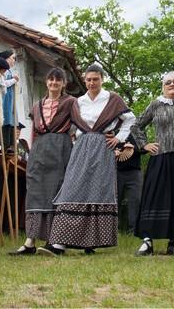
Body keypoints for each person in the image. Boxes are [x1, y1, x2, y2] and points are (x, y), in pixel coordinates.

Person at [43, 64, 135, 255]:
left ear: (102, 79)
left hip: (103, 147)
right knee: (72, 188)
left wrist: (119, 138)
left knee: (97, 191)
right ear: (84, 81)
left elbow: (130, 119)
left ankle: (90, 242)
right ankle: (59, 243)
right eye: (88, 79)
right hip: (82, 147)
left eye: (95, 79)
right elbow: (72, 126)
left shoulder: (113, 99)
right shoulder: (78, 102)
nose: (92, 82)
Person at [9, 68, 78, 256]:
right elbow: (33, 131)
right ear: (47, 82)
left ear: (63, 83)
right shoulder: (37, 105)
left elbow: (79, 125)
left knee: (57, 192)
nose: (54, 83)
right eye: (51, 80)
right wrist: (31, 152)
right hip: (39, 150)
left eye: (58, 80)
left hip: (60, 148)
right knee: (35, 193)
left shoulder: (71, 102)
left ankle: (55, 241)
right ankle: (29, 242)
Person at [132, 71, 174, 257]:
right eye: (168, 82)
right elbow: (136, 125)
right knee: (154, 197)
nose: (172, 84)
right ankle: (147, 241)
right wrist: (144, 145)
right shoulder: (156, 104)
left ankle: (173, 242)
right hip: (161, 157)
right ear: (163, 86)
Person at [114, 133, 143, 235]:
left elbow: (145, 148)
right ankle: (113, 231)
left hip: (134, 172)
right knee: (114, 201)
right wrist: (114, 151)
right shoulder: (113, 129)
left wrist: (134, 148)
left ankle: (134, 232)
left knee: (135, 201)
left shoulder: (137, 131)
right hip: (116, 171)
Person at [0, 50, 19, 147]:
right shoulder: (1, 70)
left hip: (9, 106)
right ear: (6, 58)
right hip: (3, 104)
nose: (14, 60)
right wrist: (14, 80)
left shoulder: (9, 71)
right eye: (13, 58)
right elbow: (2, 84)